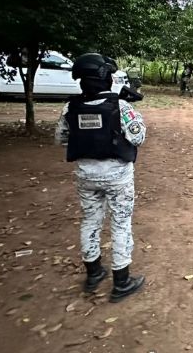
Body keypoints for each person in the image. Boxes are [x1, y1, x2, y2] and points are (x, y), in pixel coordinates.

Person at [55, 53, 147, 303]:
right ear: (106, 78)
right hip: (117, 176)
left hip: (86, 175)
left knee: (90, 221)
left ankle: (94, 273)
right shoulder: (121, 107)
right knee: (120, 223)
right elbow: (138, 138)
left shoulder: (70, 108)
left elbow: (61, 138)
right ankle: (122, 281)